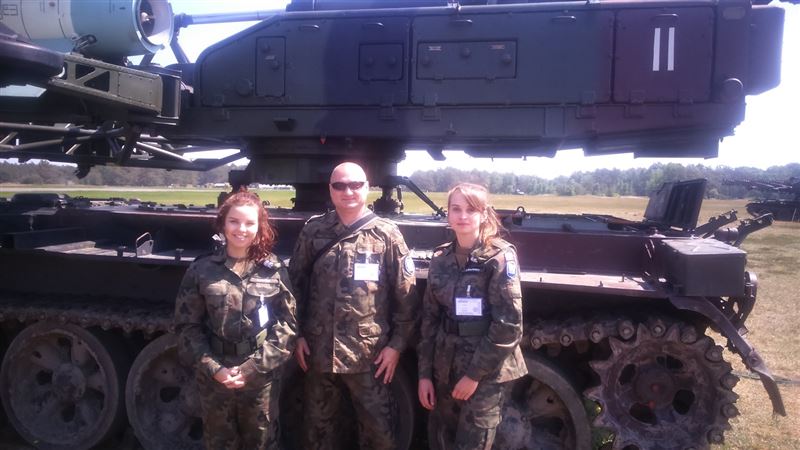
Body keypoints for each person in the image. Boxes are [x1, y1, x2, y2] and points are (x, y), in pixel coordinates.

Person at [289, 162, 419, 450]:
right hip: (319, 353)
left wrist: (396, 346)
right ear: (330, 190)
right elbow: (294, 287)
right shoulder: (314, 231)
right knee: (318, 433)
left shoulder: (386, 234)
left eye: (356, 185)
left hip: (369, 357)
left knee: (380, 435)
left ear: (367, 187)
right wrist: (296, 335)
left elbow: (406, 297)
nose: (348, 191)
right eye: (340, 185)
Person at [173, 190, 297, 450]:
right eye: (234, 221)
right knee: (219, 442)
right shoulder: (202, 269)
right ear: (223, 223)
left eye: (250, 223)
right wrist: (214, 369)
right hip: (215, 376)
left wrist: (252, 368)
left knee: (262, 443)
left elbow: (287, 326)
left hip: (260, 376)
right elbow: (187, 328)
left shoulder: (273, 270)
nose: (241, 229)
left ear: (259, 227)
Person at [417, 182, 527, 450]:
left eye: (471, 209)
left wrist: (474, 375)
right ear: (448, 213)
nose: (462, 216)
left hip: (485, 373)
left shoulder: (499, 258)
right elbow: (430, 319)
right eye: (456, 209)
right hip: (445, 367)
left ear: (483, 214)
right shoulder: (441, 257)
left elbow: (509, 325)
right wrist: (424, 375)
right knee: (444, 438)